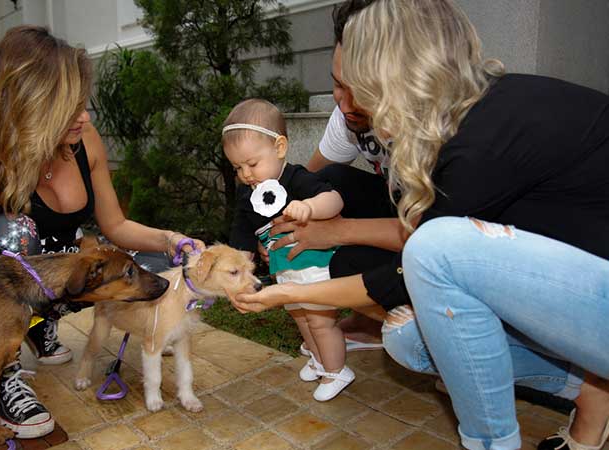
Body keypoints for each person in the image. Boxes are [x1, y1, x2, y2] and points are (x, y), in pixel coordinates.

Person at [232, 1, 609, 449]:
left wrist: (288, 293)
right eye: (338, 85)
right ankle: (590, 389)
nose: (345, 103)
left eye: (354, 88)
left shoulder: (481, 144)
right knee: (409, 338)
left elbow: (408, 269)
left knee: (434, 251)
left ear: (396, 78)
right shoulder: (462, 122)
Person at [0, 26, 202, 439]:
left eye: (84, 103)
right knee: (15, 232)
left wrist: (171, 239)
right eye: (69, 107)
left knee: (150, 267)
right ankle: (1, 368)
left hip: (59, 280)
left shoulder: (84, 140)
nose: (85, 117)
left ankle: (38, 324)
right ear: (28, 104)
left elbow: (116, 226)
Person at [265, 0, 394, 351]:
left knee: (343, 260)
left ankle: (410, 327)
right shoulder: (347, 116)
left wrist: (336, 232)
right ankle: (368, 321)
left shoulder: (435, 130)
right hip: (400, 213)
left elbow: (432, 235)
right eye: (338, 85)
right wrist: (279, 227)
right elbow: (309, 177)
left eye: (361, 90)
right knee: (332, 180)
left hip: (437, 236)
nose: (345, 104)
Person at [224, 99, 354, 401]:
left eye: (252, 164)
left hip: (314, 265)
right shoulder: (247, 194)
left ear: (279, 147)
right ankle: (320, 361)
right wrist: (238, 267)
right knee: (301, 317)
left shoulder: (296, 178)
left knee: (320, 321)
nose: (246, 174)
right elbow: (241, 235)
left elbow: (334, 199)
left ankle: (337, 371)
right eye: (237, 167)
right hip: (285, 270)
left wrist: (310, 207)